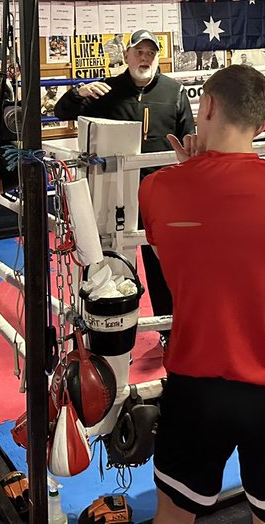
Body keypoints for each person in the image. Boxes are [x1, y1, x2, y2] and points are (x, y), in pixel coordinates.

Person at [139, 65, 265, 524]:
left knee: (173, 515)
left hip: (194, 385)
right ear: (262, 125)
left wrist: (189, 175)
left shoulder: (157, 189)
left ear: (206, 107)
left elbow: (176, 269)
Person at [53, 29, 194, 349]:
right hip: (114, 193)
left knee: (164, 265)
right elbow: (61, 112)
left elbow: (189, 139)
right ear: (126, 55)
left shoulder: (174, 92)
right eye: (138, 52)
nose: (144, 58)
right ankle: (107, 333)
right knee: (110, 262)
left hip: (162, 193)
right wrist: (79, 92)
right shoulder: (105, 90)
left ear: (157, 57)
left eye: (150, 53)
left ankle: (169, 330)